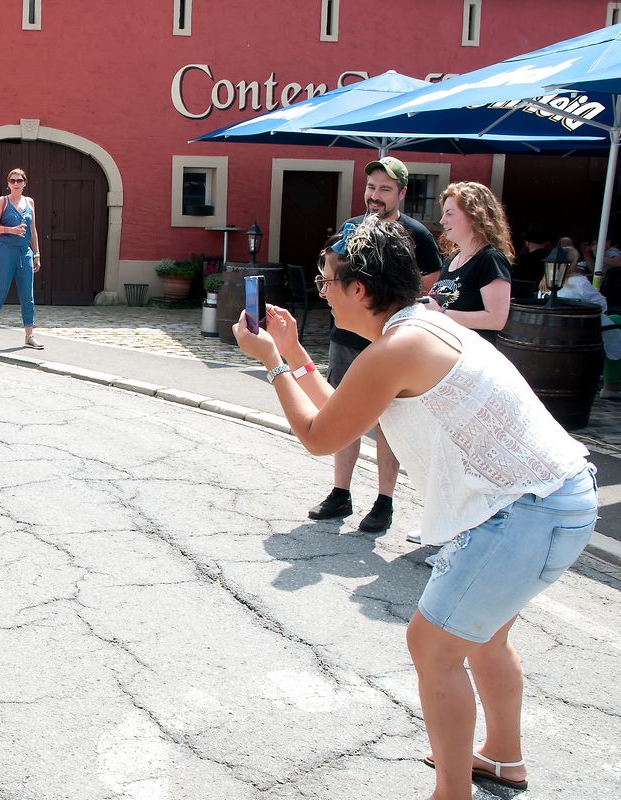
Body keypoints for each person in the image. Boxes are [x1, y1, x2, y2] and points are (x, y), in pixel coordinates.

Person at [233, 215, 595, 800]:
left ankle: (451, 794)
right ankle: (503, 758)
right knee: (482, 638)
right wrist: (296, 352)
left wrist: (270, 363)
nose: (321, 289)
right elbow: (346, 415)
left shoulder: (396, 348)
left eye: (328, 280)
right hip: (558, 498)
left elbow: (320, 436)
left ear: (360, 290)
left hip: (524, 511)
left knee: (432, 643)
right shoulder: (417, 330)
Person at [311, 157, 441, 533]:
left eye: (385, 189)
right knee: (341, 409)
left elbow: (432, 276)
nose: (375, 195)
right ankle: (340, 493)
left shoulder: (416, 233)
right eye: (371, 187)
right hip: (348, 338)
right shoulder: (351, 229)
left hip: (391, 343)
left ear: (401, 192)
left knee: (389, 422)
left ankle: (384, 501)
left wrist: (397, 300)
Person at [428, 182, 513, 342]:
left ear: (474, 216)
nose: (442, 220)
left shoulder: (490, 259)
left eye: (450, 213)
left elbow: (496, 320)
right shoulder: (451, 259)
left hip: (472, 358)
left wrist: (440, 314)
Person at [0, 168, 44, 351]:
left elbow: (33, 230)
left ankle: (29, 336)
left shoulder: (29, 202)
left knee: (28, 295)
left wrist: (37, 253)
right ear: (8, 184)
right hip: (5, 252)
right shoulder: (2, 201)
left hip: (25, 252)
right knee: (0, 291)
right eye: (13, 180)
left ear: (25, 183)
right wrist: (10, 230)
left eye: (19, 180)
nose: (16, 183)